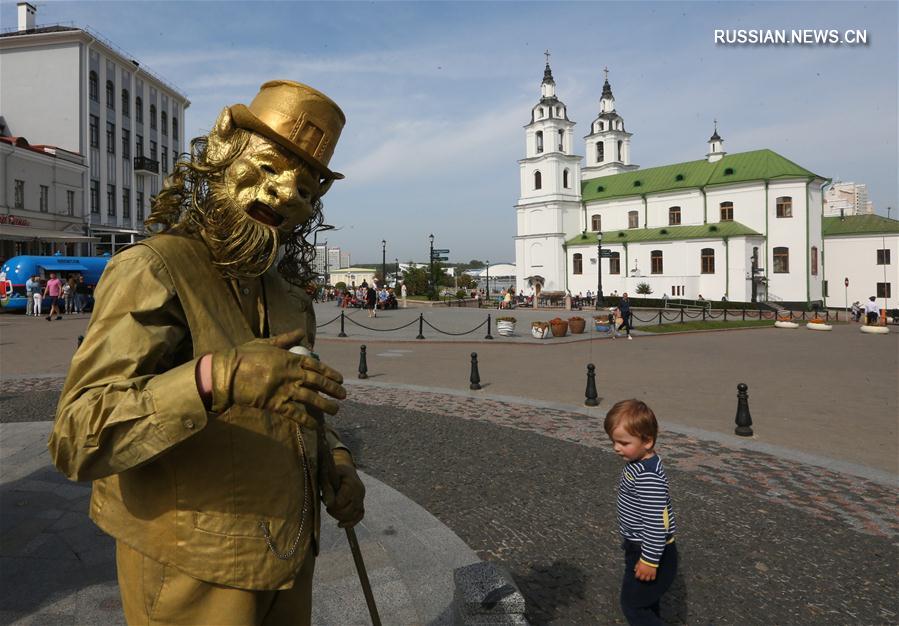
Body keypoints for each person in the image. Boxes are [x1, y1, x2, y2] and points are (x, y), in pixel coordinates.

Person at [49, 80, 365, 625]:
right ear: (223, 152)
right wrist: (216, 378)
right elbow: (78, 437)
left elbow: (300, 410)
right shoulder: (153, 269)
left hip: (288, 562)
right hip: (193, 575)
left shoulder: (287, 296)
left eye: (309, 191)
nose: (290, 196)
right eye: (268, 169)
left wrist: (334, 461)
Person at [604, 399, 678, 625]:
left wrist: (649, 560)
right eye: (613, 441)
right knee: (646, 602)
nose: (616, 448)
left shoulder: (647, 476)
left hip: (650, 551)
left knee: (634, 606)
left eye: (623, 442)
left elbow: (656, 522)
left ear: (647, 441)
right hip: (639, 547)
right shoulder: (640, 462)